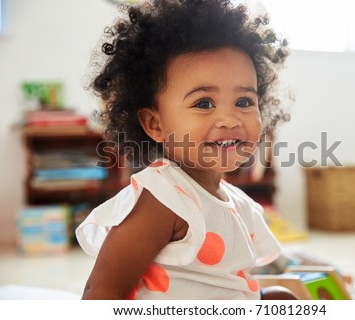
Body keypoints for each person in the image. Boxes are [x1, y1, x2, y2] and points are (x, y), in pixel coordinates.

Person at [76, 0, 293, 300]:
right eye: (204, 103)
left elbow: (225, 282)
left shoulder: (236, 201)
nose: (230, 119)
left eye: (244, 102)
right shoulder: (163, 198)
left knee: (281, 297)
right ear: (154, 123)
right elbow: (102, 291)